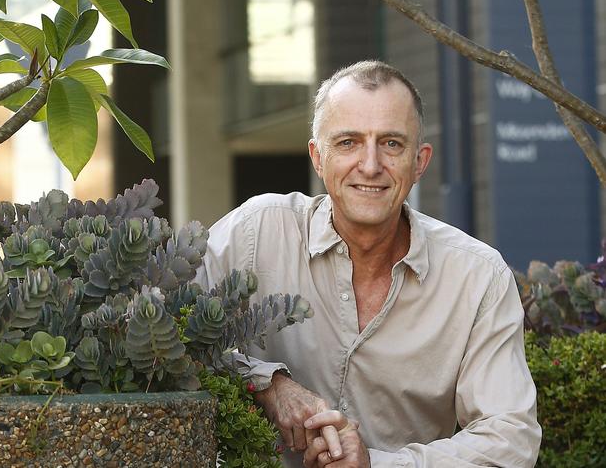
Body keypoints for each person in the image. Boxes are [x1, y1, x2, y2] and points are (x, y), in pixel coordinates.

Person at [196, 60, 541, 467]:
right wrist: (267, 384)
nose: (371, 165)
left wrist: (376, 465)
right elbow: (174, 340)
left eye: (392, 143)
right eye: (348, 142)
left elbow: (510, 438)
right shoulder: (254, 234)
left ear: (419, 162)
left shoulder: (478, 278)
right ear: (317, 157)